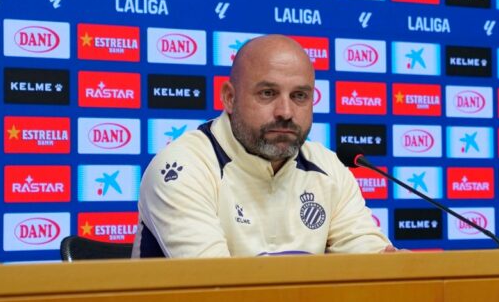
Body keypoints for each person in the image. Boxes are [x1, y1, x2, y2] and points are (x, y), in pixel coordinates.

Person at [132, 34, 395, 258]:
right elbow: (214, 290)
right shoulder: (183, 167)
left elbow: (373, 266)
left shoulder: (328, 168)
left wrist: (395, 268)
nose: (285, 112)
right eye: (267, 93)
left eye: (299, 96)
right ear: (230, 98)